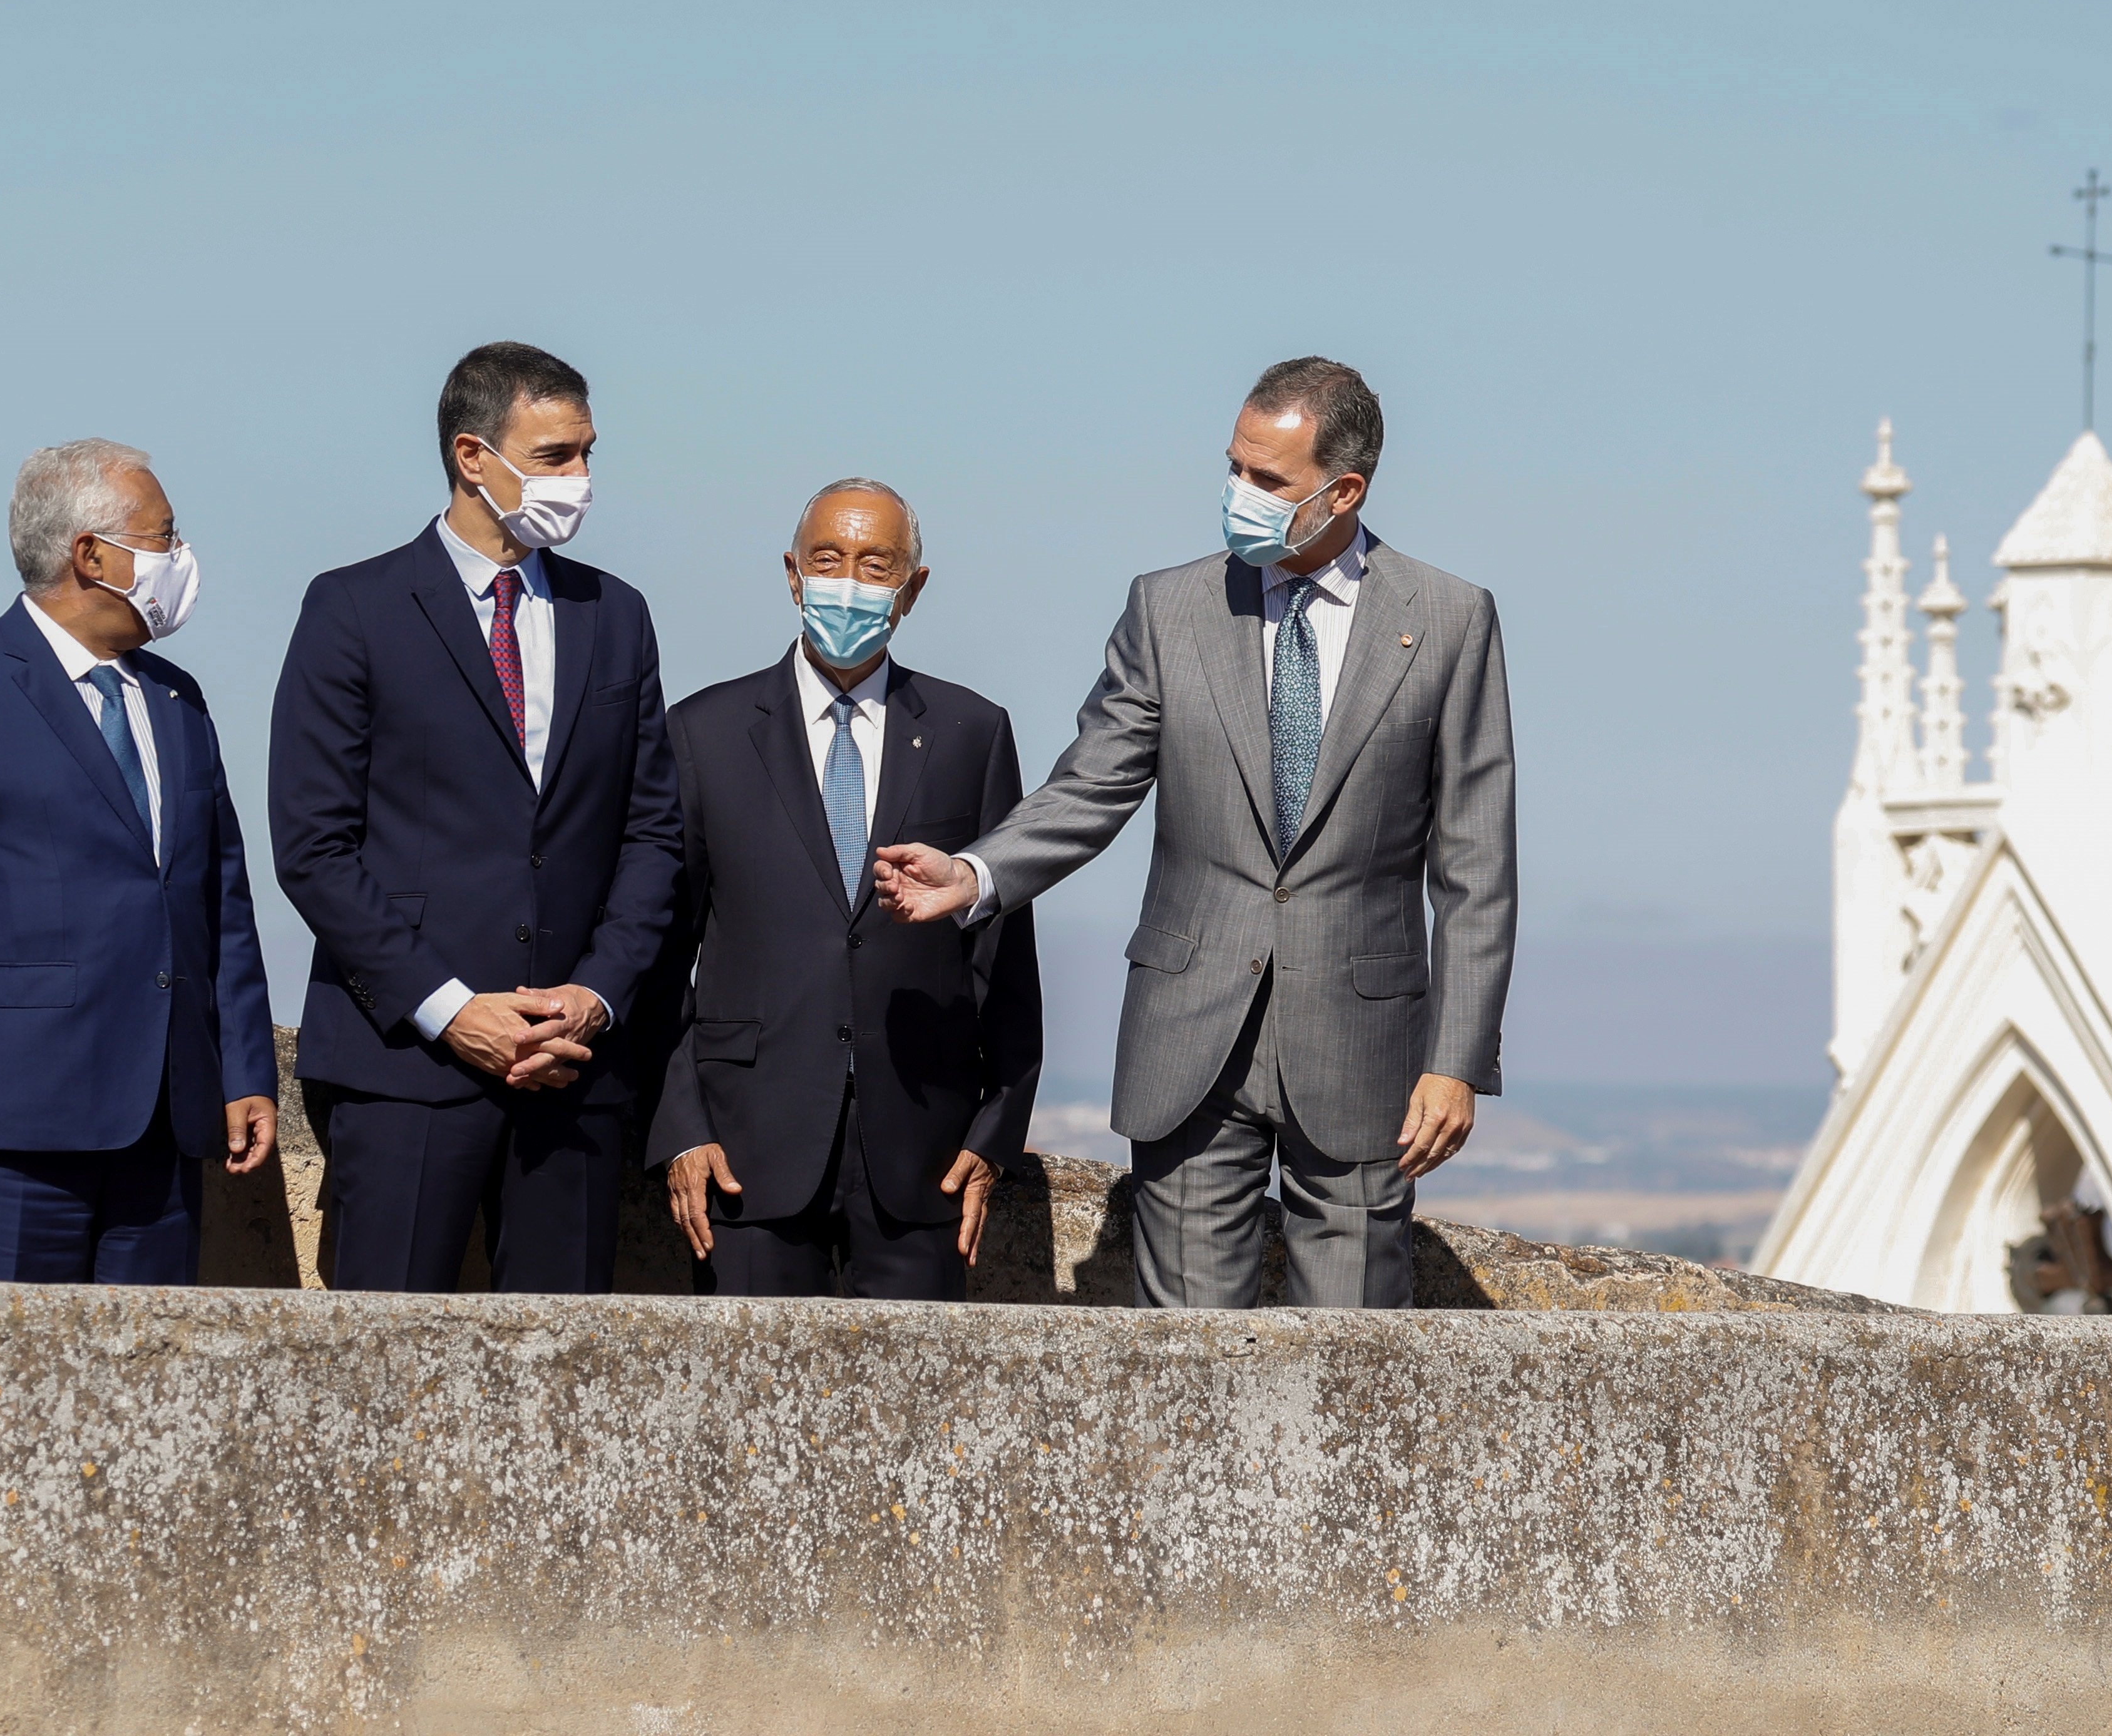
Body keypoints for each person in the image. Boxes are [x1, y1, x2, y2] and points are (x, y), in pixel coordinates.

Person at [874, 357, 1515, 1309]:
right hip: (1189, 1040)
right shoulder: (1168, 607)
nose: (1237, 495)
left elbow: (1476, 865)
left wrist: (1456, 1061)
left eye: (1267, 481)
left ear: (1342, 492)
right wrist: (977, 872)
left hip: (1364, 1051)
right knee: (1186, 1368)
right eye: (1233, 468)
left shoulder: (1453, 620)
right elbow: (1095, 782)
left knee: (1354, 1369)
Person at [270, 342, 680, 1293]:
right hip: (405, 1070)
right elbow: (315, 847)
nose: (579, 480)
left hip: (573, 1070)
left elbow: (652, 833)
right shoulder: (353, 609)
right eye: (554, 457)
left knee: (562, 1386)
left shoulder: (615, 616)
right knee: (380, 1373)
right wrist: (454, 1013)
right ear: (471, 456)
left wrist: (597, 994)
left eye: (586, 454)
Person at [0, 439, 276, 1282]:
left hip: (165, 1127)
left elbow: (219, 903)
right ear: (91, 555)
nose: (179, 558)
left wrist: (245, 1069)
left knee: (146, 1399)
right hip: (3, 1131)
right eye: (164, 538)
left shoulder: (178, 702)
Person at [644, 479, 1041, 1298]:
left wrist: (995, 1133)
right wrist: (679, 1129)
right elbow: (657, 956)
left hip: (921, 1157)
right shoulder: (703, 734)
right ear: (793, 574)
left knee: (918, 1414)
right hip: (745, 1148)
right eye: (829, 561)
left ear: (913, 588)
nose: (849, 584)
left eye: (876, 565)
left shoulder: (973, 732)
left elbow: (1004, 952)